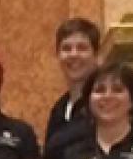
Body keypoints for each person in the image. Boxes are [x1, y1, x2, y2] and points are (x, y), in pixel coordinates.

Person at [43, 18, 100, 147]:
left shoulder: (107, 103)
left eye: (82, 48)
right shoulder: (59, 109)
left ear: (97, 55)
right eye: (66, 49)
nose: (73, 55)